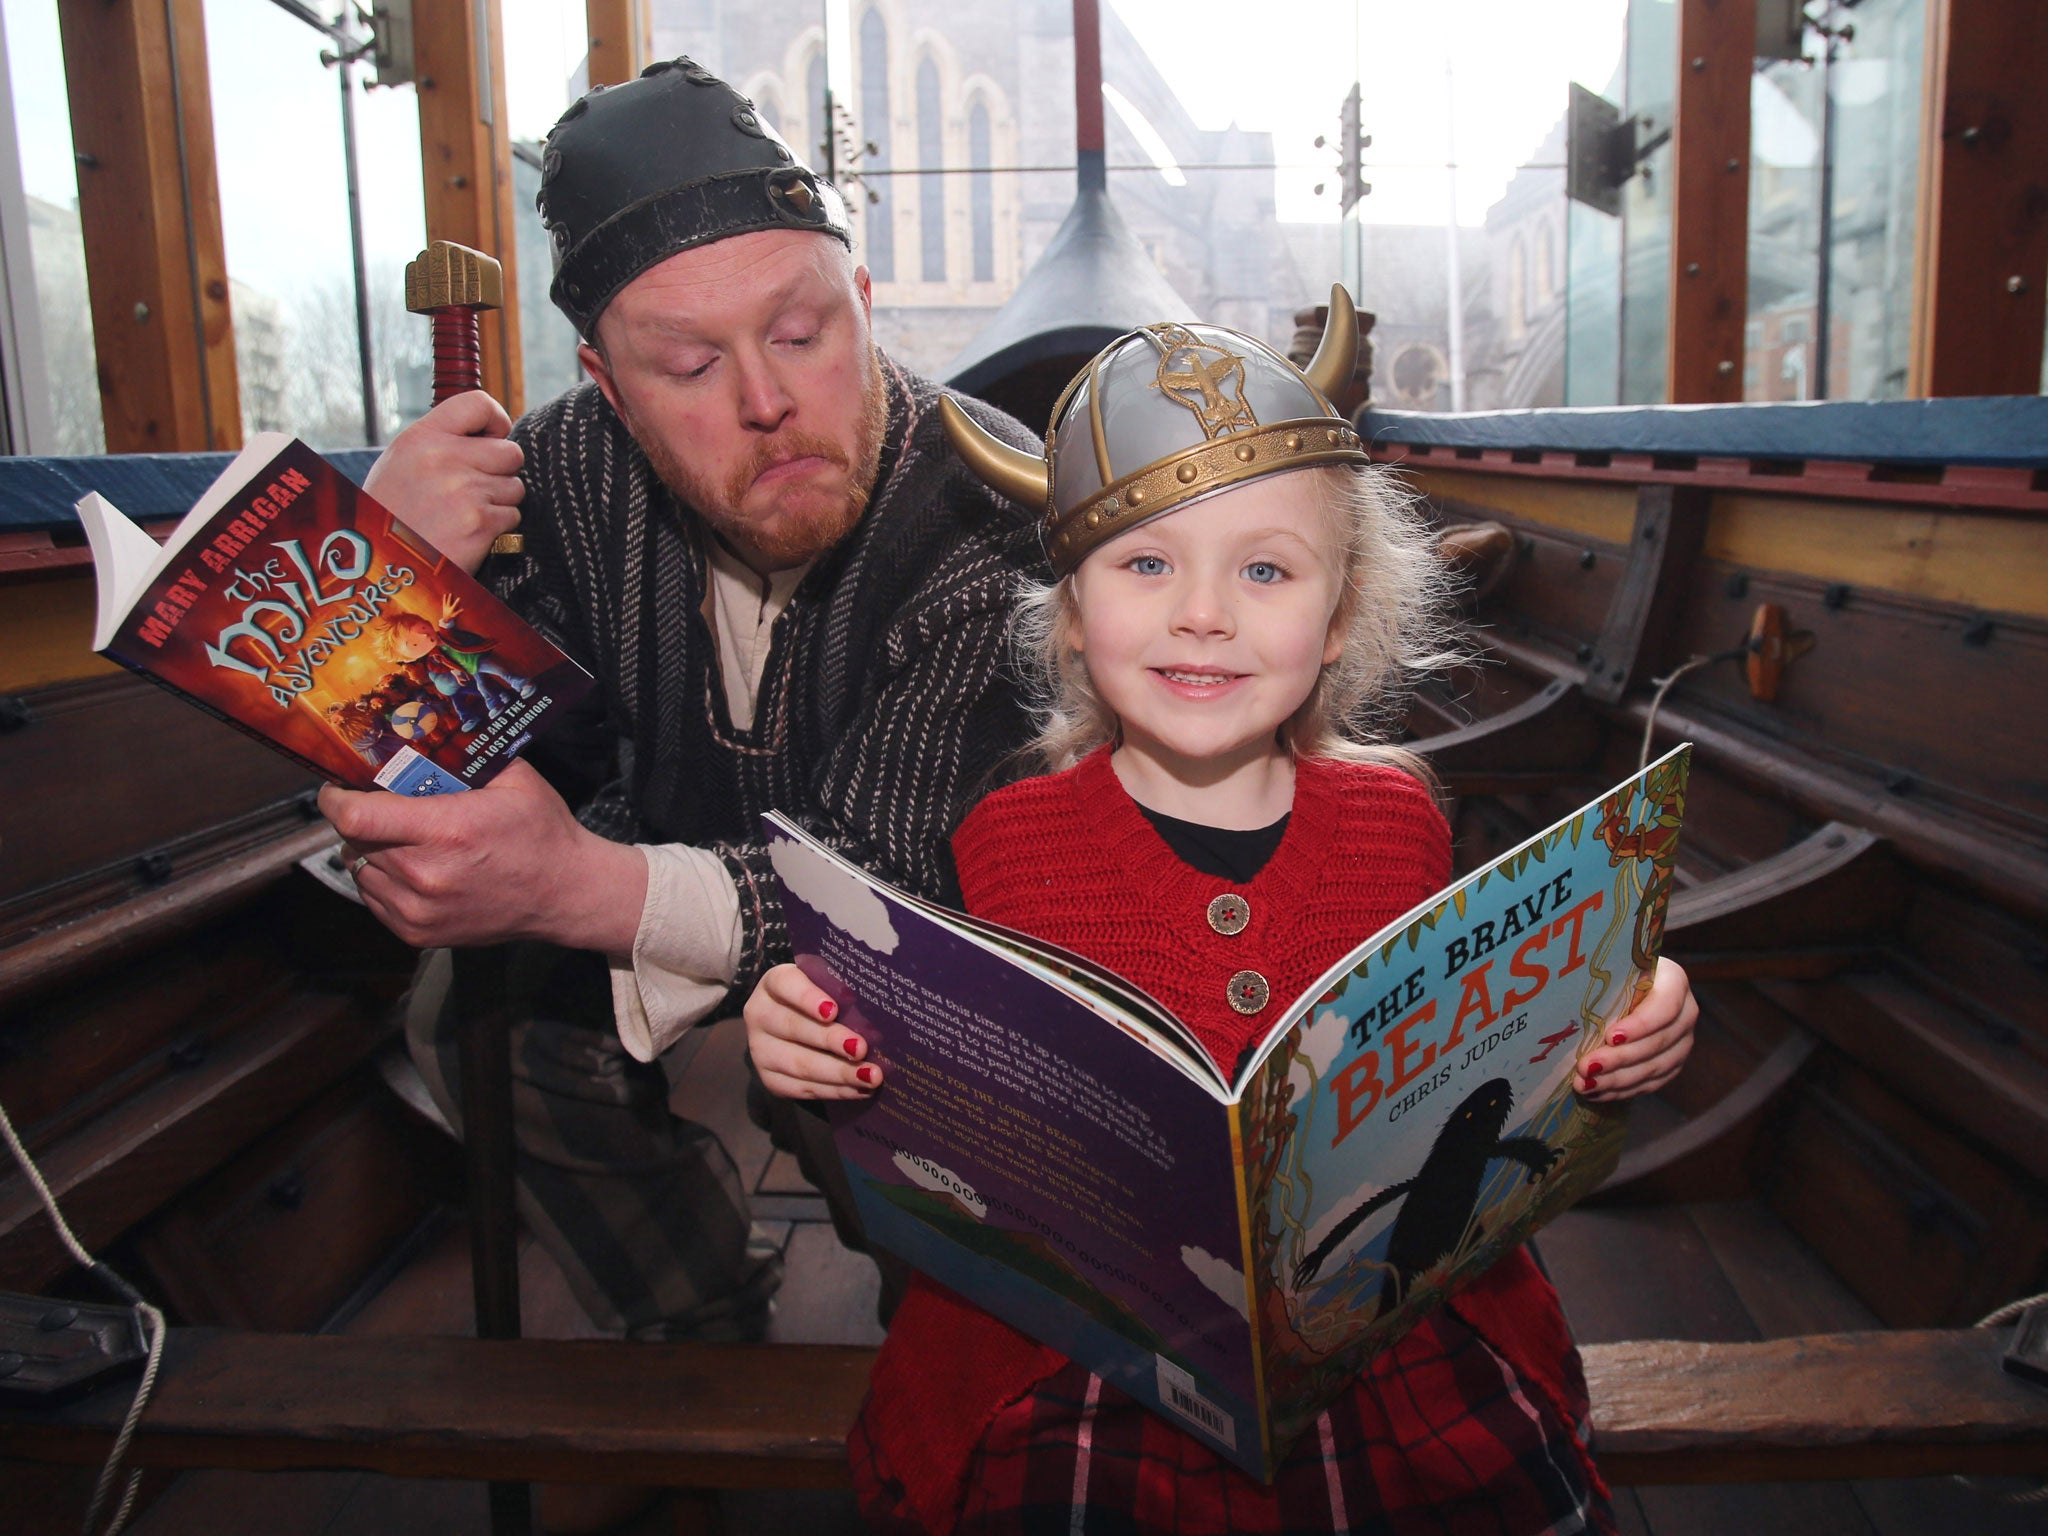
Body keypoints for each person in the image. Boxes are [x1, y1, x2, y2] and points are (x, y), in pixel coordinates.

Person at [745, 311, 1699, 1533]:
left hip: (1382, 1323)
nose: (1203, 613)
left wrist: (1628, 1012)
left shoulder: (1395, 816)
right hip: (1090, 1357)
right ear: (1075, 620)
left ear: (1338, 616)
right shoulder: (1006, 842)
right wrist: (806, 1032)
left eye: (1263, 569)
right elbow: (937, 1074)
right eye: (1144, 566)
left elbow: (1482, 1041)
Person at [317, 58, 1045, 1345]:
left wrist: (566, 887)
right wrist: (389, 589)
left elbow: (886, 888)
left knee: (872, 1082)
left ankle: (937, 1346)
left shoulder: (995, 506)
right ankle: (695, 1334)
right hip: (637, 841)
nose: (768, 402)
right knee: (476, 1029)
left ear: (864, 304)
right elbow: (474, 767)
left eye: (804, 333)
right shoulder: (543, 479)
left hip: (917, 947)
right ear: (607, 384)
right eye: (687, 364)